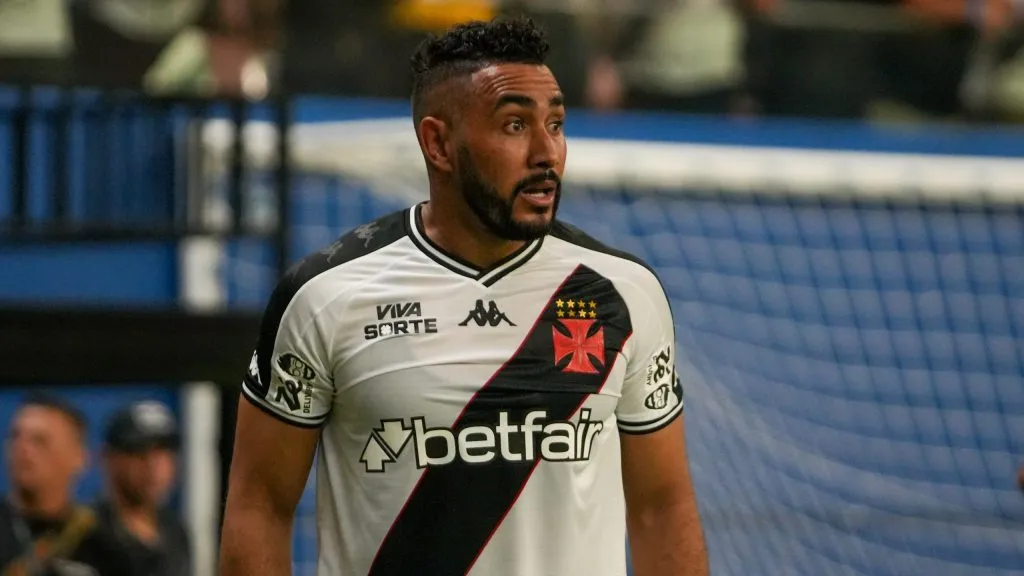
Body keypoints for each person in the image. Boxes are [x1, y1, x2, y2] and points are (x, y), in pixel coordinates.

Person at [219, 16, 708, 576]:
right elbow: (259, 507)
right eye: (515, 125)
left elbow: (660, 508)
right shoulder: (324, 297)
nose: (547, 152)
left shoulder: (622, 293)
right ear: (439, 144)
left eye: (556, 123)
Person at [0, 394, 129, 576]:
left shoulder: (103, 548)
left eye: (40, 441)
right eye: (15, 436)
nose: (22, 449)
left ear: (79, 457)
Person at [93, 401, 191, 576]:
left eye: (162, 452)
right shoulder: (88, 534)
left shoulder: (175, 531)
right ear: (109, 458)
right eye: (138, 451)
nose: (152, 465)